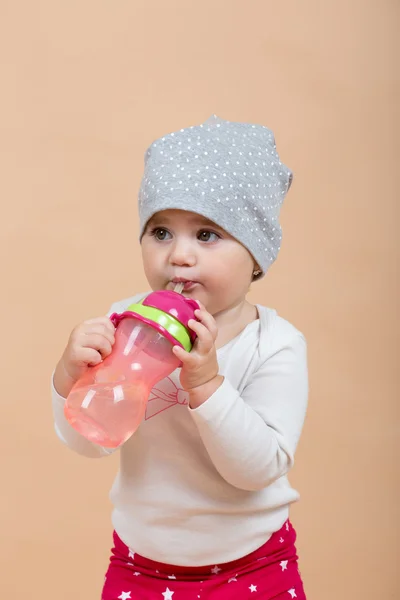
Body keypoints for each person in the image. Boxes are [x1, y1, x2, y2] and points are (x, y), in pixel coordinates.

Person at [52, 115, 309, 599]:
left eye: (207, 235)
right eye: (161, 231)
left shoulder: (275, 344)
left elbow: (257, 470)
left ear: (255, 254)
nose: (179, 256)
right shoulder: (123, 323)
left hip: (253, 566)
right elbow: (91, 442)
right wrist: (70, 377)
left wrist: (208, 384)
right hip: (141, 566)